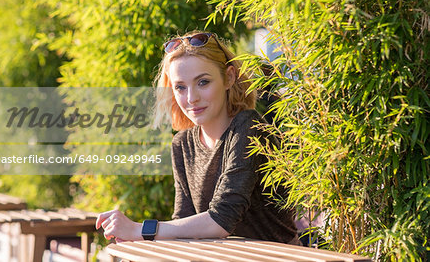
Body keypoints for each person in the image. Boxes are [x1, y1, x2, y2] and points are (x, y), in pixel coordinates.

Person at [96, 31, 300, 244]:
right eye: (180, 87)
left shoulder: (248, 127)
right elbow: (182, 223)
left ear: (229, 77)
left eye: (203, 82)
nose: (192, 98)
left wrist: (141, 229)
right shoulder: (182, 144)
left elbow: (222, 220)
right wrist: (138, 237)